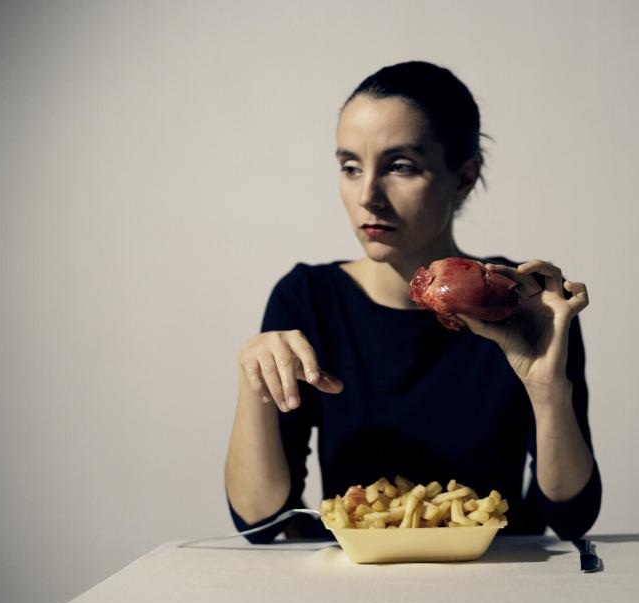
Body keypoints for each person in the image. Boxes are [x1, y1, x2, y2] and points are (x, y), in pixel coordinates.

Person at [224, 60, 601, 543]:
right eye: (350, 167)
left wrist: (549, 392)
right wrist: (250, 376)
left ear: (463, 177)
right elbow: (259, 523)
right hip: (355, 595)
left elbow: (573, 520)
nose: (368, 196)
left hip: (499, 590)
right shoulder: (307, 299)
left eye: (400, 166)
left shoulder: (521, 305)